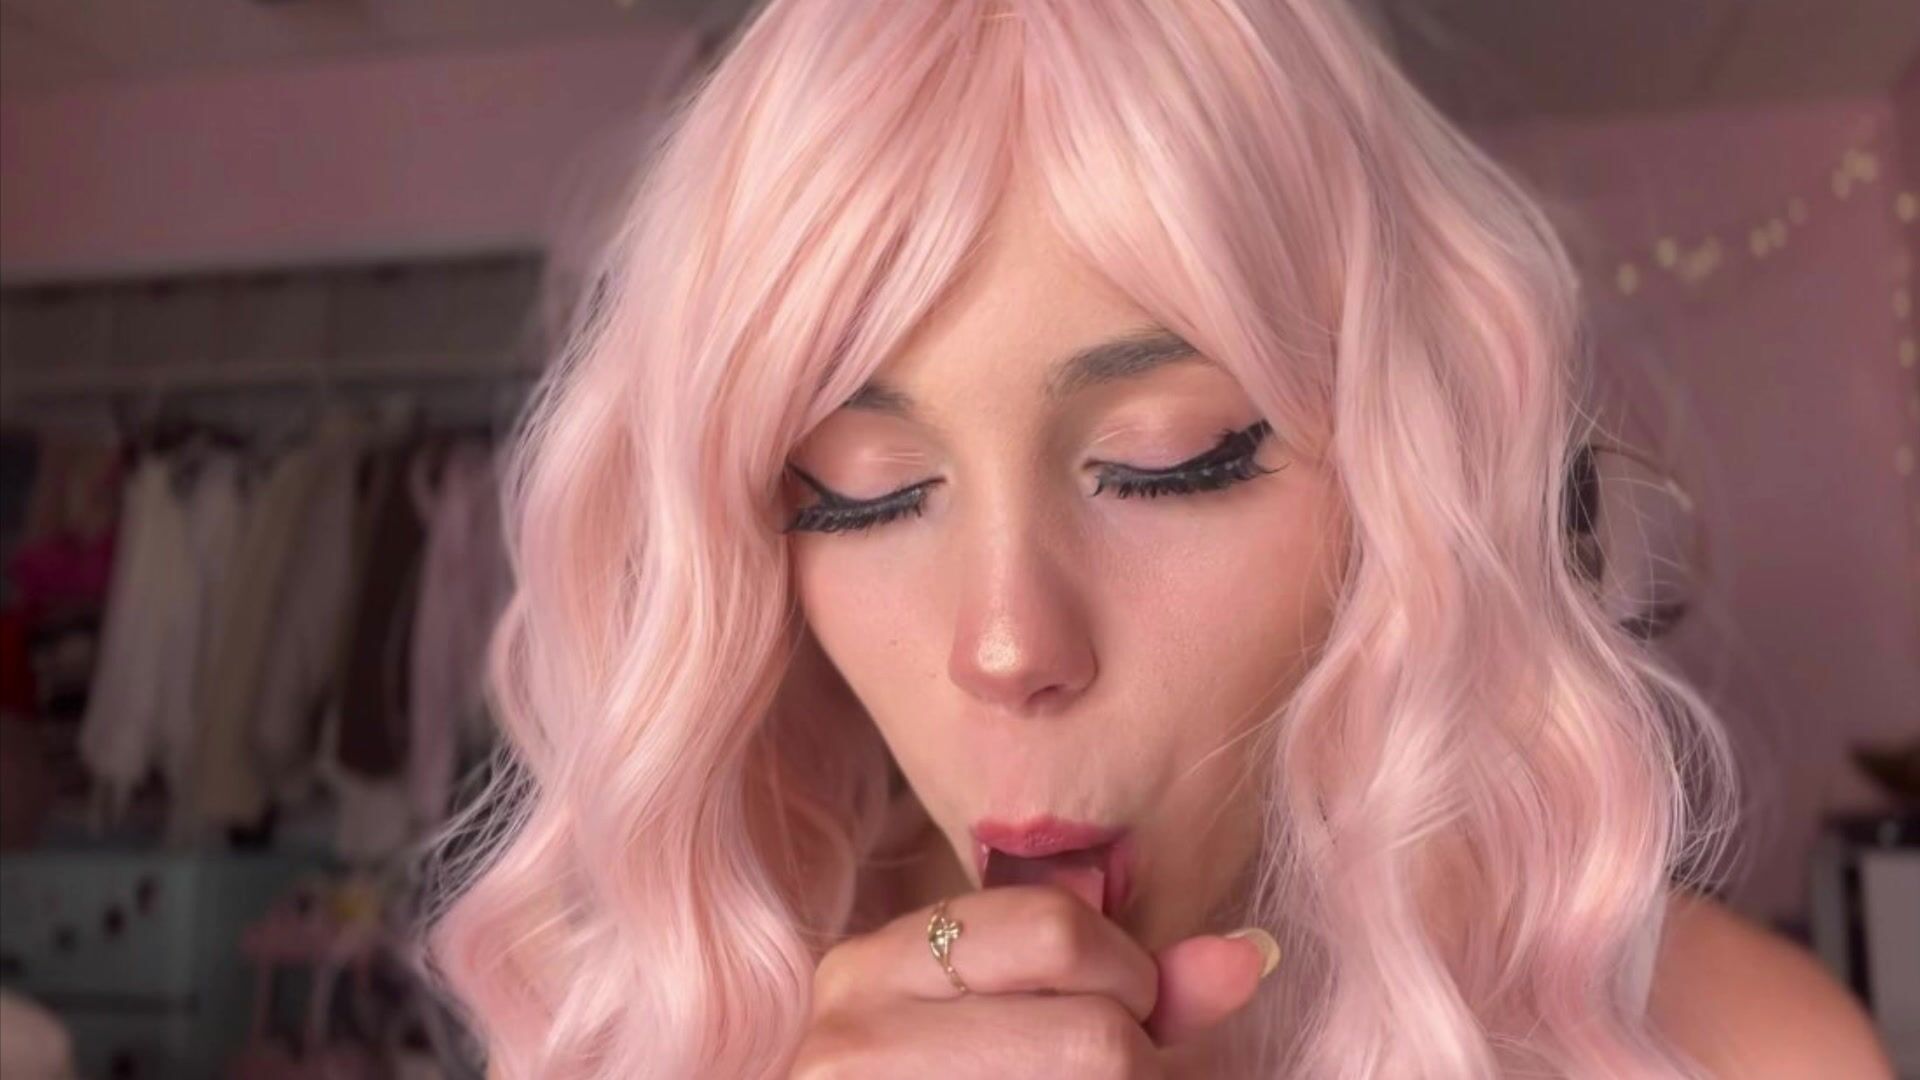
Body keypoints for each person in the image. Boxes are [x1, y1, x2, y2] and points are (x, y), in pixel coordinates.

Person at [424, 1, 1897, 1076]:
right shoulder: (638, 1031)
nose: (1008, 644)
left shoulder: (1738, 1051)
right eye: (861, 492)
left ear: (1405, 481)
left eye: (1169, 464)